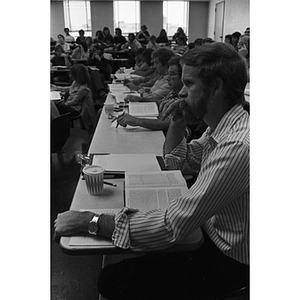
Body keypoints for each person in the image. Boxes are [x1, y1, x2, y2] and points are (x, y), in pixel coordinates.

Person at [54, 42, 249, 300]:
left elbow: (171, 225)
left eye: (189, 84)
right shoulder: (222, 128)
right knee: (135, 260)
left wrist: (90, 221)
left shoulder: (236, 147)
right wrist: (177, 124)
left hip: (229, 259)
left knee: (111, 280)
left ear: (216, 87)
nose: (181, 92)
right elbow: (180, 162)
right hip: (210, 231)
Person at [117, 56, 183, 132]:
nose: (168, 78)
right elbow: (162, 102)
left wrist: (137, 121)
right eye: (168, 74)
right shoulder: (175, 90)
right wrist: (140, 99)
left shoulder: (185, 96)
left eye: (172, 74)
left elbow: (171, 122)